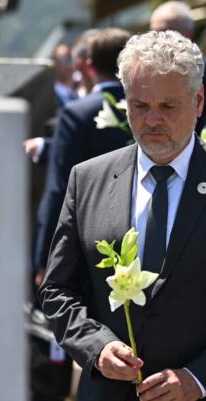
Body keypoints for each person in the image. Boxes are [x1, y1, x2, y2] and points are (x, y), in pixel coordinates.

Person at [38, 30, 206, 401]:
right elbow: (58, 291)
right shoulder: (87, 179)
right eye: (139, 105)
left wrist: (199, 378)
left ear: (199, 101)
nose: (152, 120)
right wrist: (98, 348)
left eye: (168, 107)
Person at [32, 28, 133, 284]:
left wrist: (45, 256)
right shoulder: (145, 108)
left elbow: (59, 189)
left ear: (89, 66)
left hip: (89, 239)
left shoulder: (77, 114)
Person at [150, 1, 206, 126]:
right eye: (153, 32)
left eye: (164, 32)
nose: (156, 39)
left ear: (188, 34)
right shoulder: (142, 69)